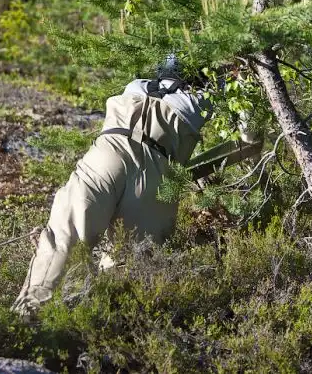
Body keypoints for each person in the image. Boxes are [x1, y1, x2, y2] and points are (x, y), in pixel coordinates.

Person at [11, 56, 211, 316]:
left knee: (63, 238)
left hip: (106, 155)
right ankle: (105, 323)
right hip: (154, 173)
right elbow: (249, 135)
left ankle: (27, 314)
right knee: (131, 263)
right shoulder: (201, 99)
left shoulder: (137, 85)